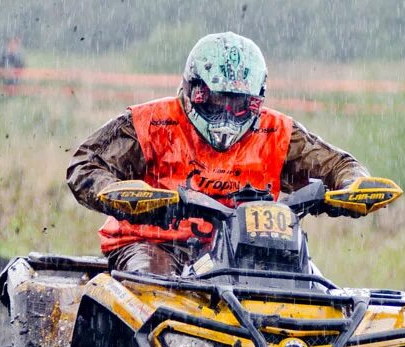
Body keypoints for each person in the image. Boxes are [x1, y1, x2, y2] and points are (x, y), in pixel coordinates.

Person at [67, 32, 369, 276]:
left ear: (257, 100)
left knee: (311, 293)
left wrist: (353, 186)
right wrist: (128, 198)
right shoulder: (152, 122)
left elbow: (339, 165)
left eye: (238, 105)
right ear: (192, 88)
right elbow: (86, 165)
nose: (227, 115)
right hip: (155, 243)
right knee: (153, 290)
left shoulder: (278, 132)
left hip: (248, 248)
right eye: (215, 100)